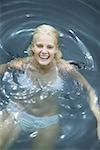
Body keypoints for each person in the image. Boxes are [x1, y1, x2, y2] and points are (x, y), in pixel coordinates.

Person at [0, 24, 99, 150]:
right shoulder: (22, 64)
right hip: (16, 112)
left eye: (50, 47)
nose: (44, 51)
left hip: (47, 122)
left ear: (56, 49)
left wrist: (97, 114)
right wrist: (10, 65)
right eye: (39, 45)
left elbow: (89, 90)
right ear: (33, 47)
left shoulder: (64, 68)